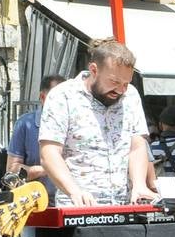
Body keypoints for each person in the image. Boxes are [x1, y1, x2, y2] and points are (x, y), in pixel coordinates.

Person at [39, 38, 154, 208]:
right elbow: (49, 153)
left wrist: (139, 184)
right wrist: (74, 191)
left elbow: (137, 145)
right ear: (94, 70)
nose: (121, 90)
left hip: (125, 206)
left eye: (126, 84)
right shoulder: (63, 95)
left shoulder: (131, 96)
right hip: (79, 207)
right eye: (114, 82)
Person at [7, 73, 64, 200]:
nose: (63, 105)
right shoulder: (25, 124)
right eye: (57, 99)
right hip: (36, 203)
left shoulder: (76, 124)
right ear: (42, 98)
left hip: (71, 203)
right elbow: (12, 172)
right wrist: (49, 168)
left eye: (66, 99)